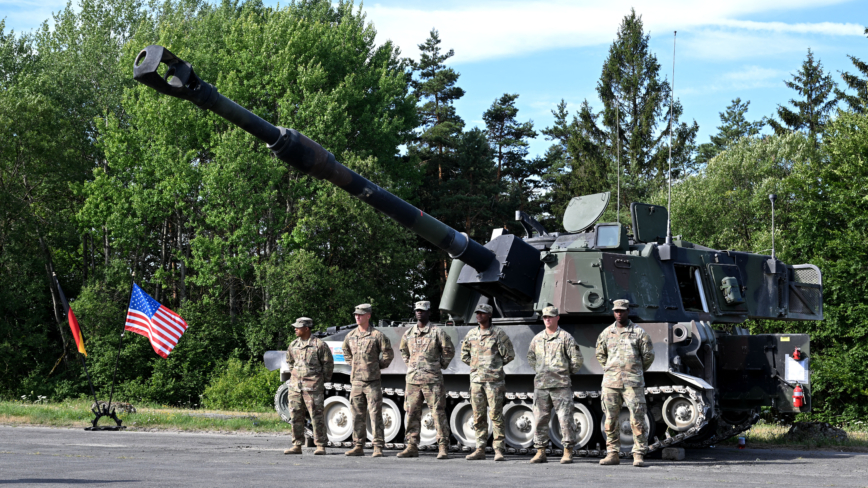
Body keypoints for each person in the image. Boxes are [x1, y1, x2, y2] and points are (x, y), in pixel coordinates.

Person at [596, 299, 655, 467]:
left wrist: (635, 370)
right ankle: (612, 454)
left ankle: (638, 454)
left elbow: (648, 356)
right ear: (613, 312)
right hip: (611, 383)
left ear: (628, 311)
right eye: (616, 311)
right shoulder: (606, 333)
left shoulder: (639, 333)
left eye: (622, 310)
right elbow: (600, 354)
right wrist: (611, 369)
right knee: (610, 419)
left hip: (632, 383)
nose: (619, 313)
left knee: (637, 419)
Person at [396, 300, 455, 459]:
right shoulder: (408, 333)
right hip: (413, 380)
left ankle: (443, 447)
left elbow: (449, 350)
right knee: (411, 413)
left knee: (437, 413)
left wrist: (439, 365)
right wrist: (411, 365)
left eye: (423, 310)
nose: (419, 312)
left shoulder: (437, 332)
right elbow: (403, 351)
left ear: (429, 312)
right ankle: (411, 445)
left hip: (432, 380)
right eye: (417, 310)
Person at [526, 306, 583, 464]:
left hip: (561, 385)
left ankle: (567, 451)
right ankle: (540, 451)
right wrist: (541, 371)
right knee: (539, 419)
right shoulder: (537, 339)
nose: (547, 319)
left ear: (557, 317)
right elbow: (531, 357)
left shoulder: (566, 337)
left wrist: (564, 373)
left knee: (565, 419)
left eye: (550, 316)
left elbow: (577, 360)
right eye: (545, 317)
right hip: (541, 386)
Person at [460, 303, 516, 461]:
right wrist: (477, 367)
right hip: (476, 382)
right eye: (477, 313)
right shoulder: (471, 334)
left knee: (496, 415)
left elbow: (509, 354)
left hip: (494, 382)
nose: (479, 315)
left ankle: (498, 450)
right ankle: (480, 449)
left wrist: (495, 366)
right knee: (478, 416)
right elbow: (464, 355)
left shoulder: (498, 334)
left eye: (483, 313)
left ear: (489, 315)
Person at [342, 303, 394, 458]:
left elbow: (388, 354)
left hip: (372, 382)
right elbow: (345, 350)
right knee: (357, 414)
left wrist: (377, 366)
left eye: (360, 314)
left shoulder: (377, 335)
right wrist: (354, 364)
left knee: (375, 414)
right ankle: (358, 445)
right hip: (356, 382)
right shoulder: (351, 335)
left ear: (368, 316)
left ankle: (378, 446)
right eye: (356, 314)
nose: (357, 317)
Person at [283, 317, 334, 455]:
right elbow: (290, 362)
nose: (295, 329)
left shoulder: (319, 345)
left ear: (306, 328)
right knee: (295, 416)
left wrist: (320, 381)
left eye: (298, 327)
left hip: (313, 387)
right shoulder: (293, 345)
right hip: (295, 387)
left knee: (316, 416)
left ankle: (320, 445)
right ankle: (297, 445)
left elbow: (328, 365)